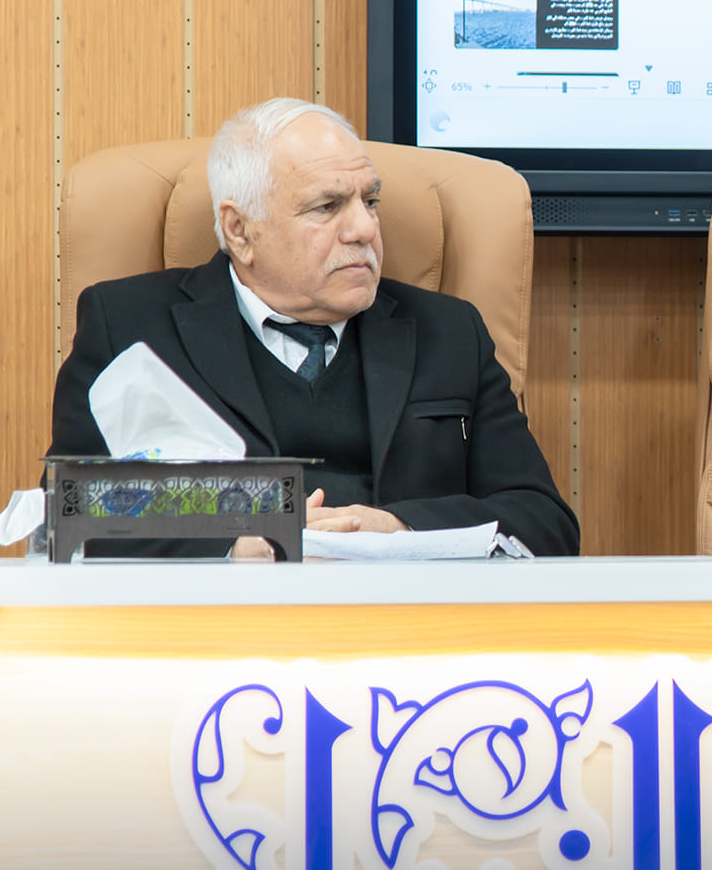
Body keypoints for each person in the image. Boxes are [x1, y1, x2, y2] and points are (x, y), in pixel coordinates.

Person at [47, 97, 579, 556]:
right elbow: (67, 515)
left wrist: (399, 528)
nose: (365, 228)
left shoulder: (450, 332)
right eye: (327, 206)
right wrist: (232, 545)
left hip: (408, 623)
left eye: (370, 201)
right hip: (222, 626)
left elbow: (544, 523)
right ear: (240, 230)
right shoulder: (130, 326)